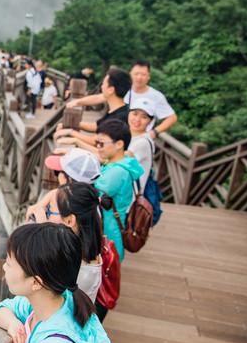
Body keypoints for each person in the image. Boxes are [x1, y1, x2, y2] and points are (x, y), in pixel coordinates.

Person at [0, 223, 111, 343]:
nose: (3, 267)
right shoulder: (59, 301)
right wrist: (13, 325)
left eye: (9, 263)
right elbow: (1, 309)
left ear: (35, 283)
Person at [25, 183, 104, 302]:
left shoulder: (78, 269)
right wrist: (40, 205)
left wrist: (42, 229)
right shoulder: (79, 245)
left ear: (69, 220)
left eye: (49, 211)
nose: (46, 215)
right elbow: (57, 193)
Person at [68, 61, 177, 138]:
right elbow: (99, 97)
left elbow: (172, 117)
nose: (139, 77)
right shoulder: (123, 90)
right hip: (119, 138)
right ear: (130, 74)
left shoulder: (156, 96)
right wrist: (77, 102)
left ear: (149, 76)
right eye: (136, 74)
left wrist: (154, 132)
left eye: (143, 74)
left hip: (140, 140)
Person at [93, 119, 144, 264]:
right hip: (115, 228)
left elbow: (92, 190)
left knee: (107, 278)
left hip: (109, 233)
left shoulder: (117, 172)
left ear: (119, 144)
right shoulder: (126, 162)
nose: (98, 147)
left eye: (101, 143)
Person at [54, 67, 131, 148]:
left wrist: (70, 132)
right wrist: (69, 124)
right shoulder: (119, 109)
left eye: (104, 83)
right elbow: (97, 126)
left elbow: (96, 141)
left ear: (111, 90)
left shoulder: (119, 118)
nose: (102, 86)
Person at [126, 97, 156, 190]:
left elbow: (117, 159)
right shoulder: (127, 134)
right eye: (135, 114)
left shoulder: (142, 142)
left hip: (128, 197)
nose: (137, 119)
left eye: (144, 117)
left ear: (150, 121)